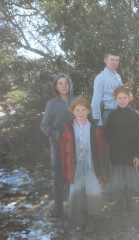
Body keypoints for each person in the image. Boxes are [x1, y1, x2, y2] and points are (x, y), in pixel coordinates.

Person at [60, 95, 109, 231]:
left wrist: (104, 168)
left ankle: (91, 219)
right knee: (77, 190)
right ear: (72, 111)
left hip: (91, 165)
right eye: (77, 110)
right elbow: (64, 151)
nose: (80, 113)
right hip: (75, 165)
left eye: (83, 110)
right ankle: (81, 217)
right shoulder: (68, 129)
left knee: (91, 190)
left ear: (88, 111)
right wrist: (64, 170)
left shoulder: (95, 128)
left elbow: (102, 149)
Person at [104, 86, 139, 216]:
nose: (122, 100)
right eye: (119, 98)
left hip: (129, 153)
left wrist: (137, 155)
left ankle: (129, 204)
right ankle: (119, 205)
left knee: (128, 179)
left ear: (129, 98)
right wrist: (109, 155)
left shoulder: (135, 115)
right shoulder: (112, 115)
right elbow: (108, 136)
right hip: (116, 154)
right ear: (115, 99)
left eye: (125, 98)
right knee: (117, 179)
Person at [40, 73, 74, 218]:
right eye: (61, 83)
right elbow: (44, 125)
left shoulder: (77, 101)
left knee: (75, 173)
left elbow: (86, 119)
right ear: (56, 86)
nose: (64, 86)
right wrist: (55, 134)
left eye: (66, 83)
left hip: (74, 145)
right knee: (58, 175)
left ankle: (75, 204)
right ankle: (58, 207)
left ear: (70, 84)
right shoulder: (51, 104)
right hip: (58, 145)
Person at [91, 49, 123, 126]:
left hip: (119, 113)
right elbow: (95, 101)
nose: (114, 62)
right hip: (107, 114)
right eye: (112, 59)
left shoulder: (118, 77)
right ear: (105, 60)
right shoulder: (101, 77)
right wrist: (98, 122)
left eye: (117, 60)